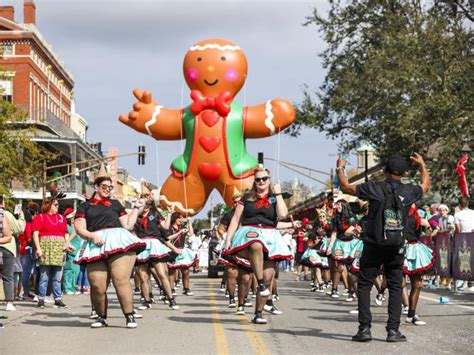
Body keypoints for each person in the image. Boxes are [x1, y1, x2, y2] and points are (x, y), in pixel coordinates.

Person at [336, 153, 430, 342]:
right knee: (395, 285)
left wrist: (340, 167)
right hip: (396, 246)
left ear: (385, 171)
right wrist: (422, 165)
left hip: (373, 243)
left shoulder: (374, 188)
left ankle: (364, 329)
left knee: (364, 284)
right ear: (403, 172)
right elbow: (425, 186)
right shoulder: (409, 191)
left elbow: (345, 187)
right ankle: (393, 331)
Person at [224, 166, 299, 324]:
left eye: (264, 178)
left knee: (268, 276)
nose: (261, 182)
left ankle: (258, 313)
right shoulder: (247, 197)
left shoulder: (273, 197)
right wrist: (228, 239)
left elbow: (283, 215)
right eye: (258, 179)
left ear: (269, 180)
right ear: (254, 181)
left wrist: (278, 193)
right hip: (249, 233)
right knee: (256, 245)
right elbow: (236, 219)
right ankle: (260, 284)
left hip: (270, 236)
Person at [74, 176, 147, 329]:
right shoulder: (85, 206)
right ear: (96, 187)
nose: (108, 189)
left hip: (118, 241)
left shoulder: (115, 204)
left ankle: (129, 315)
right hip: (96, 243)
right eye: (105, 186)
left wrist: (136, 209)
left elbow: (127, 225)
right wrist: (92, 236)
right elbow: (80, 228)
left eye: (110, 187)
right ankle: (101, 317)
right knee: (97, 286)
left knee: (120, 279)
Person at [134, 194, 180, 311]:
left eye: (145, 203)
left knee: (161, 274)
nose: (143, 205)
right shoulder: (135, 216)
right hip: (142, 244)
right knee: (143, 276)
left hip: (154, 244)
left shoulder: (154, 214)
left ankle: (171, 299)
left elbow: (164, 226)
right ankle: (146, 300)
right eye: (141, 202)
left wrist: (169, 214)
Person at [32, 197, 73, 309]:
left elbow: (65, 234)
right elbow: (35, 234)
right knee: (44, 276)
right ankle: (41, 299)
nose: (57, 207)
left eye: (57, 205)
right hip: (46, 248)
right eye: (55, 204)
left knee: (58, 277)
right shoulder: (39, 217)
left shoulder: (61, 218)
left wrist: (68, 244)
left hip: (59, 249)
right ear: (48, 205)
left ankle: (57, 299)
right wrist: (38, 248)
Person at [402, 204, 435, 325]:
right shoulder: (396, 209)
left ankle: (412, 314)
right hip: (398, 249)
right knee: (399, 284)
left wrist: (427, 226)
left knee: (417, 284)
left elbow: (428, 234)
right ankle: (394, 317)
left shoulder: (419, 213)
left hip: (414, 249)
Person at [166, 213, 197, 296]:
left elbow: (191, 233)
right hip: (172, 251)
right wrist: (179, 232)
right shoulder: (170, 228)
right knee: (172, 272)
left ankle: (186, 288)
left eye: (181, 218)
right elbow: (168, 239)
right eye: (179, 218)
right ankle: (171, 289)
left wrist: (189, 222)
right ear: (174, 219)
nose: (181, 220)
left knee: (186, 271)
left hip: (182, 251)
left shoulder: (182, 227)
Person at [18, 202, 39, 301]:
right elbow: (30, 238)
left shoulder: (22, 223)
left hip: (24, 249)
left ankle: (26, 293)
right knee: (32, 272)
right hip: (30, 249)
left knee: (26, 272)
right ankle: (28, 293)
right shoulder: (29, 224)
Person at [454, 196, 474, 291]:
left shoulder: (457, 215)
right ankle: (468, 282)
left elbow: (458, 229)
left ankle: (467, 281)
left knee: (465, 260)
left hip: (464, 240)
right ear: (468, 203)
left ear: (459, 205)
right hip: (472, 237)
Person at [62, 209, 81, 295]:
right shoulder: (66, 226)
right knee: (69, 271)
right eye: (73, 217)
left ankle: (73, 287)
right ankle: (67, 288)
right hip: (70, 252)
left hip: (77, 252)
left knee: (76, 270)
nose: (74, 219)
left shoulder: (75, 227)